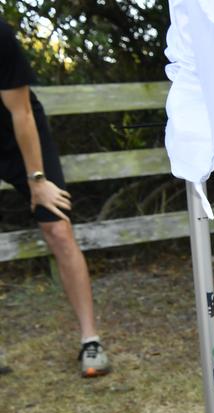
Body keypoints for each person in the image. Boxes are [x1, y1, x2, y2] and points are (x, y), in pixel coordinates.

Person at [0, 19, 110, 377]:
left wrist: (37, 179)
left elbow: (22, 112)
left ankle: (90, 341)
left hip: (19, 138)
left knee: (58, 230)